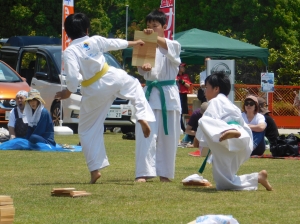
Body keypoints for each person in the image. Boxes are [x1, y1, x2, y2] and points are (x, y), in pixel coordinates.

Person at [55, 13, 155, 184]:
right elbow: (113, 43)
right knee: (136, 87)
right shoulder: (94, 40)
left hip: (93, 89)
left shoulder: (70, 51)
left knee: (87, 129)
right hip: (111, 76)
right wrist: (133, 43)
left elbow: (72, 77)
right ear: (87, 29)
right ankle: (141, 116)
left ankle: (95, 170)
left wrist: (68, 92)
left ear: (67, 33)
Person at [196, 71, 272, 191]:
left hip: (228, 136)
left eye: (207, 88)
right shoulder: (231, 105)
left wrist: (199, 141)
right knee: (225, 183)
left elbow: (208, 122)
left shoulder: (215, 101)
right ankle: (258, 177)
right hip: (242, 138)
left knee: (203, 121)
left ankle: (227, 130)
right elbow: (242, 124)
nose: (205, 91)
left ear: (216, 89)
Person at [135, 9, 181, 182]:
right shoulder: (143, 44)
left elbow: (171, 53)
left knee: (168, 137)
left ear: (163, 27)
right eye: (148, 26)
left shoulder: (173, 45)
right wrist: (144, 69)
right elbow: (141, 69)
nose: (150, 29)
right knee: (144, 134)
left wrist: (152, 38)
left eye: (154, 26)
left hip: (168, 95)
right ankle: (143, 173)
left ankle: (165, 174)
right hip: (149, 94)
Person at [176, 62, 191, 132]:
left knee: (184, 112)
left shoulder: (186, 76)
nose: (183, 68)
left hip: (184, 95)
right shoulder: (174, 75)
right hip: (177, 95)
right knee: (179, 111)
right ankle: (181, 127)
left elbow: (188, 86)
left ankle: (185, 127)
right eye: (182, 67)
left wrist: (181, 82)